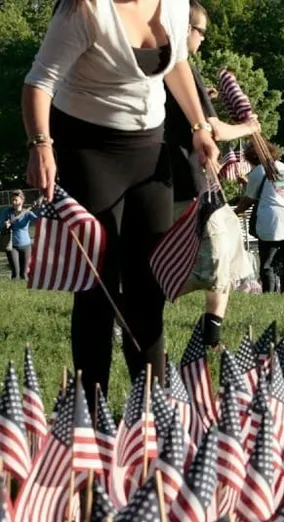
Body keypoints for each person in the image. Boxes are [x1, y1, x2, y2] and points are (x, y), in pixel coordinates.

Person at [24, 0, 220, 400]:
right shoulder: (84, 11)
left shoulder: (176, 5)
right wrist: (40, 145)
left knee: (148, 285)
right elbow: (39, 83)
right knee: (98, 287)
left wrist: (200, 126)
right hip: (88, 150)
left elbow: (178, 62)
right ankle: (90, 413)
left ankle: (152, 409)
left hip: (150, 149)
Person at [164, 0, 259, 345]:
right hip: (188, 180)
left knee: (227, 249)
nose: (203, 39)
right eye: (201, 31)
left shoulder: (161, 65)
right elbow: (214, 129)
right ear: (186, 28)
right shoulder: (183, 67)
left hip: (173, 179)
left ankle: (211, 336)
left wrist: (206, 97)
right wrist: (247, 127)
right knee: (217, 260)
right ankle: (139, 304)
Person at [234, 141, 284, 294]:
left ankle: (269, 294)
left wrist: (234, 213)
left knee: (267, 264)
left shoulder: (259, 170)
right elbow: (274, 191)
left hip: (271, 221)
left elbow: (249, 199)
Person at [2, 190, 36, 280]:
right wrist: (5, 225)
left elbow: (38, 220)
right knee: (15, 274)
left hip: (26, 246)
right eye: (12, 200)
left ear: (22, 200)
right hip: (12, 246)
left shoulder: (27, 213)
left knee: (24, 274)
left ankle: (25, 293)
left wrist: (37, 207)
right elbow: (1, 224)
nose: (13, 202)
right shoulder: (8, 212)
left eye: (16, 200)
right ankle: (13, 292)